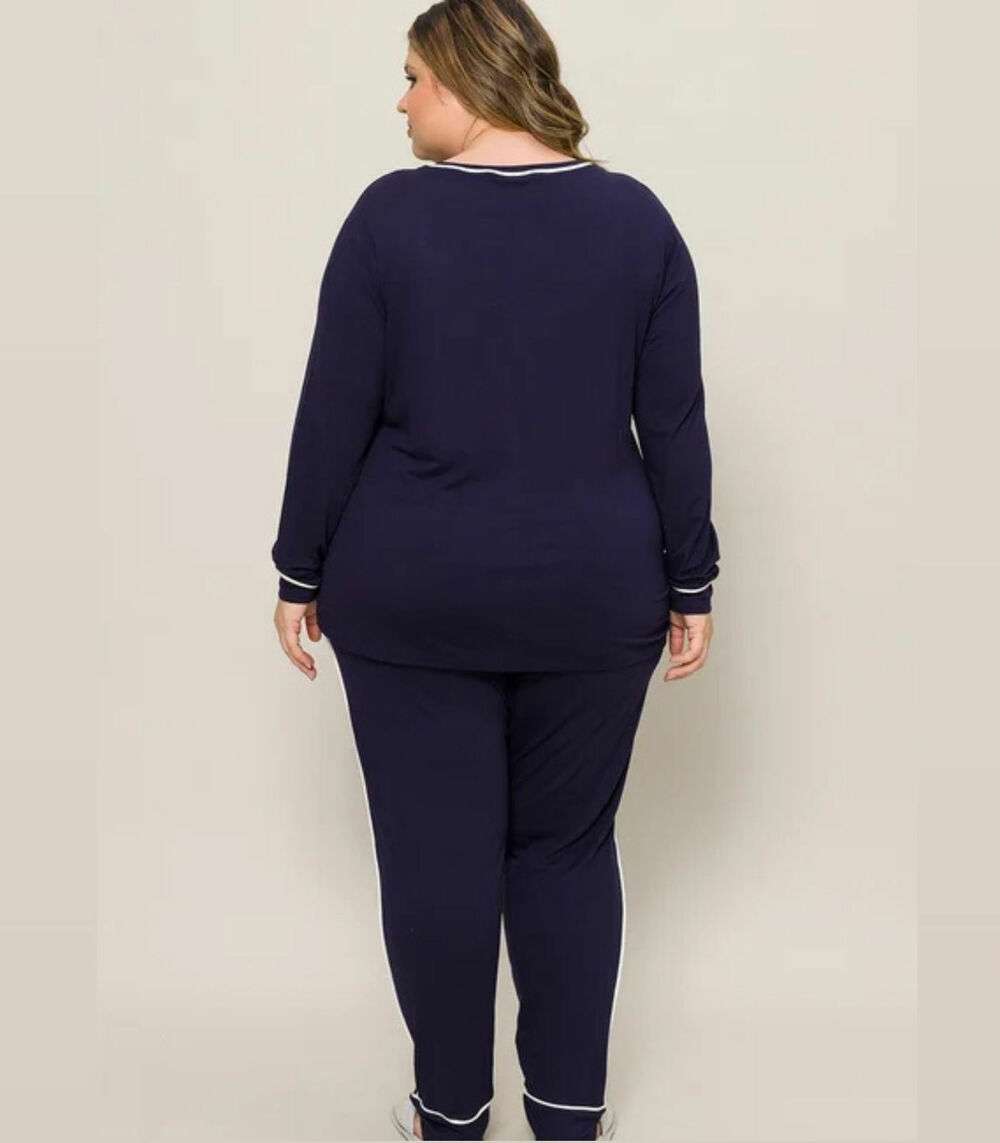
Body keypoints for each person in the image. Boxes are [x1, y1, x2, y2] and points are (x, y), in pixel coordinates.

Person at [270, 2, 721, 1139]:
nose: (401, 102)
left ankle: (450, 1115)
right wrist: (692, 582)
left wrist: (297, 567)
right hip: (593, 591)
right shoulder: (637, 219)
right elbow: (673, 422)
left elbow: (334, 409)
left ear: (470, 83)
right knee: (567, 853)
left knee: (437, 862)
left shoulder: (389, 218)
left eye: (414, 77)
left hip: (411, 591)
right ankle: (567, 1116)